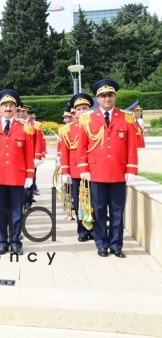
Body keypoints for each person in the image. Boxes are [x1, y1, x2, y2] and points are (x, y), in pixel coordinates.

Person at [78, 79, 138, 258]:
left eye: (110, 95)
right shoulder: (87, 118)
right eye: (103, 96)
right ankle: (102, 244)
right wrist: (84, 168)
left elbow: (131, 146)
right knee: (99, 210)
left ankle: (116, 245)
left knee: (118, 211)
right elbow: (82, 145)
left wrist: (131, 169)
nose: (107, 98)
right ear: (97, 98)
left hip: (119, 173)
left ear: (114, 96)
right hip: (97, 173)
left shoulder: (126, 117)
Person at [0, 90, 34, 255]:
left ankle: (16, 241)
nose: (8, 108)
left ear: (16, 108)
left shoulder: (25, 128)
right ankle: (2, 241)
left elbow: (29, 153)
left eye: (11, 105)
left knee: (17, 211)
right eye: (5, 105)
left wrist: (30, 175)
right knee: (0, 211)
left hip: (17, 176)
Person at [60, 93, 94, 242]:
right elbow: (65, 151)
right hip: (76, 172)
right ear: (75, 113)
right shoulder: (67, 130)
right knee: (79, 201)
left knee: (95, 202)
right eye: (79, 109)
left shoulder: (96, 125)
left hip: (94, 171)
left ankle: (95, 230)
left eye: (85, 108)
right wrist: (65, 171)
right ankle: (82, 230)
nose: (82, 111)